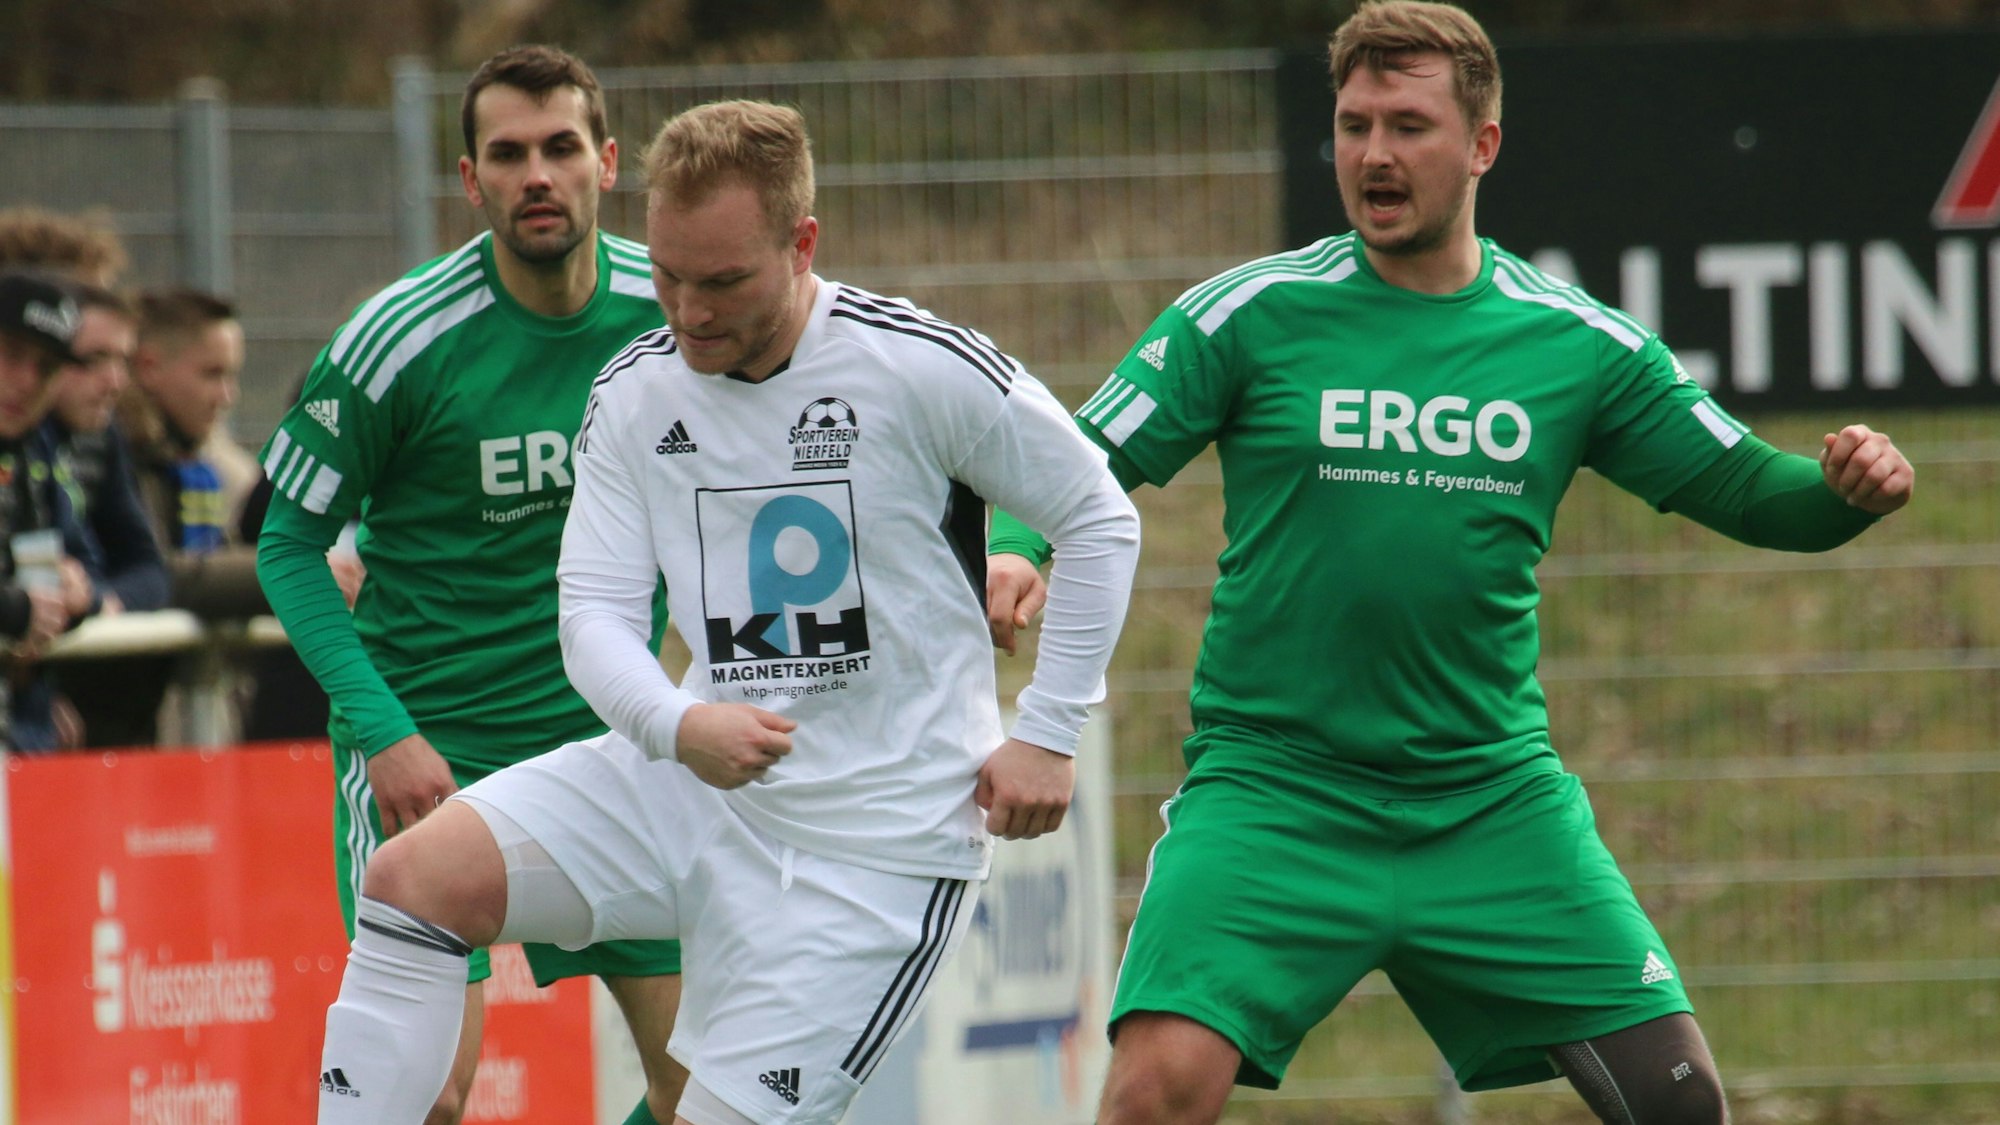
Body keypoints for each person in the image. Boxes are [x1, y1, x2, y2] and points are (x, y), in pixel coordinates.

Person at [985, 4, 1915, 1123]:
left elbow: (1755, 495)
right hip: (1274, 794)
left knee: (1678, 1100)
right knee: (1152, 1094)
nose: (1373, 154)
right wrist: (1015, 548)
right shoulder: (1251, 313)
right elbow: (1073, 458)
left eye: (1409, 125)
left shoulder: (1575, 344)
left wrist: (1843, 491)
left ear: (1480, 145)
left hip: (1487, 801)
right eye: (1352, 123)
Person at [305, 98, 1139, 1125]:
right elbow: (594, 616)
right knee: (410, 880)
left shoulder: (916, 365)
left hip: (875, 854)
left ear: (801, 244)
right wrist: (675, 723)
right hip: (688, 783)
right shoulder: (635, 391)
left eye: (722, 282)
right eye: (665, 277)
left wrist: (1049, 734)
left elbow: (1098, 516)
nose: (688, 311)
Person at [257, 45, 692, 1125]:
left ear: (606, 161)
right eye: (507, 155)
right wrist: (383, 732)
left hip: (611, 747)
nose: (535, 175)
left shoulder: (682, 312)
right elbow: (287, 546)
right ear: (470, 181)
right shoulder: (395, 341)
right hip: (433, 750)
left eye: (558, 149)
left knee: (709, 1090)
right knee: (428, 1097)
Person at [42, 283, 175, 746]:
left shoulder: (102, 437)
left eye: (121, 360)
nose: (115, 382)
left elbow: (150, 571)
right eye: (94, 359)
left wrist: (99, 601)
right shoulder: (23, 442)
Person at [0, 272, 100, 749]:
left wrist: (68, 596)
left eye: (46, 367)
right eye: (12, 356)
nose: (26, 382)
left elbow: (42, 573)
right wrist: (16, 609)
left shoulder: (30, 454)